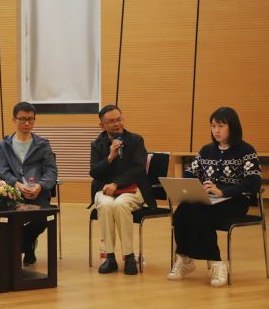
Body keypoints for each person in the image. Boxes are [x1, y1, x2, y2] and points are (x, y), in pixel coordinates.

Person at [167, 107, 261, 287]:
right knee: (183, 210)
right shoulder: (206, 150)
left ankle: (216, 263)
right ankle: (185, 259)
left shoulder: (246, 150)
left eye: (221, 126)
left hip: (235, 202)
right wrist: (194, 186)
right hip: (209, 201)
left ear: (232, 127)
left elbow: (253, 182)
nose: (216, 130)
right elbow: (190, 172)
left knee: (200, 213)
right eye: (213, 126)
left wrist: (223, 192)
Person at [89, 104, 155, 275]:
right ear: (102, 125)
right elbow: (94, 172)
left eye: (119, 119)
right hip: (105, 190)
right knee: (106, 205)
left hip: (133, 188)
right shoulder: (97, 144)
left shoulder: (135, 140)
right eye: (111, 121)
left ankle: (129, 256)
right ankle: (110, 257)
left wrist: (117, 184)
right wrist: (110, 157)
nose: (117, 124)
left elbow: (138, 169)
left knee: (120, 205)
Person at [0, 101, 58, 265]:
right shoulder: (4, 145)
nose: (27, 123)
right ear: (14, 120)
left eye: (30, 119)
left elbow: (51, 171)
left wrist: (40, 185)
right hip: (13, 192)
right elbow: (2, 171)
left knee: (43, 218)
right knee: (8, 218)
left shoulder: (42, 144)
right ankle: (27, 246)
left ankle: (24, 242)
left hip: (37, 193)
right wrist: (17, 185)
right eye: (22, 119)